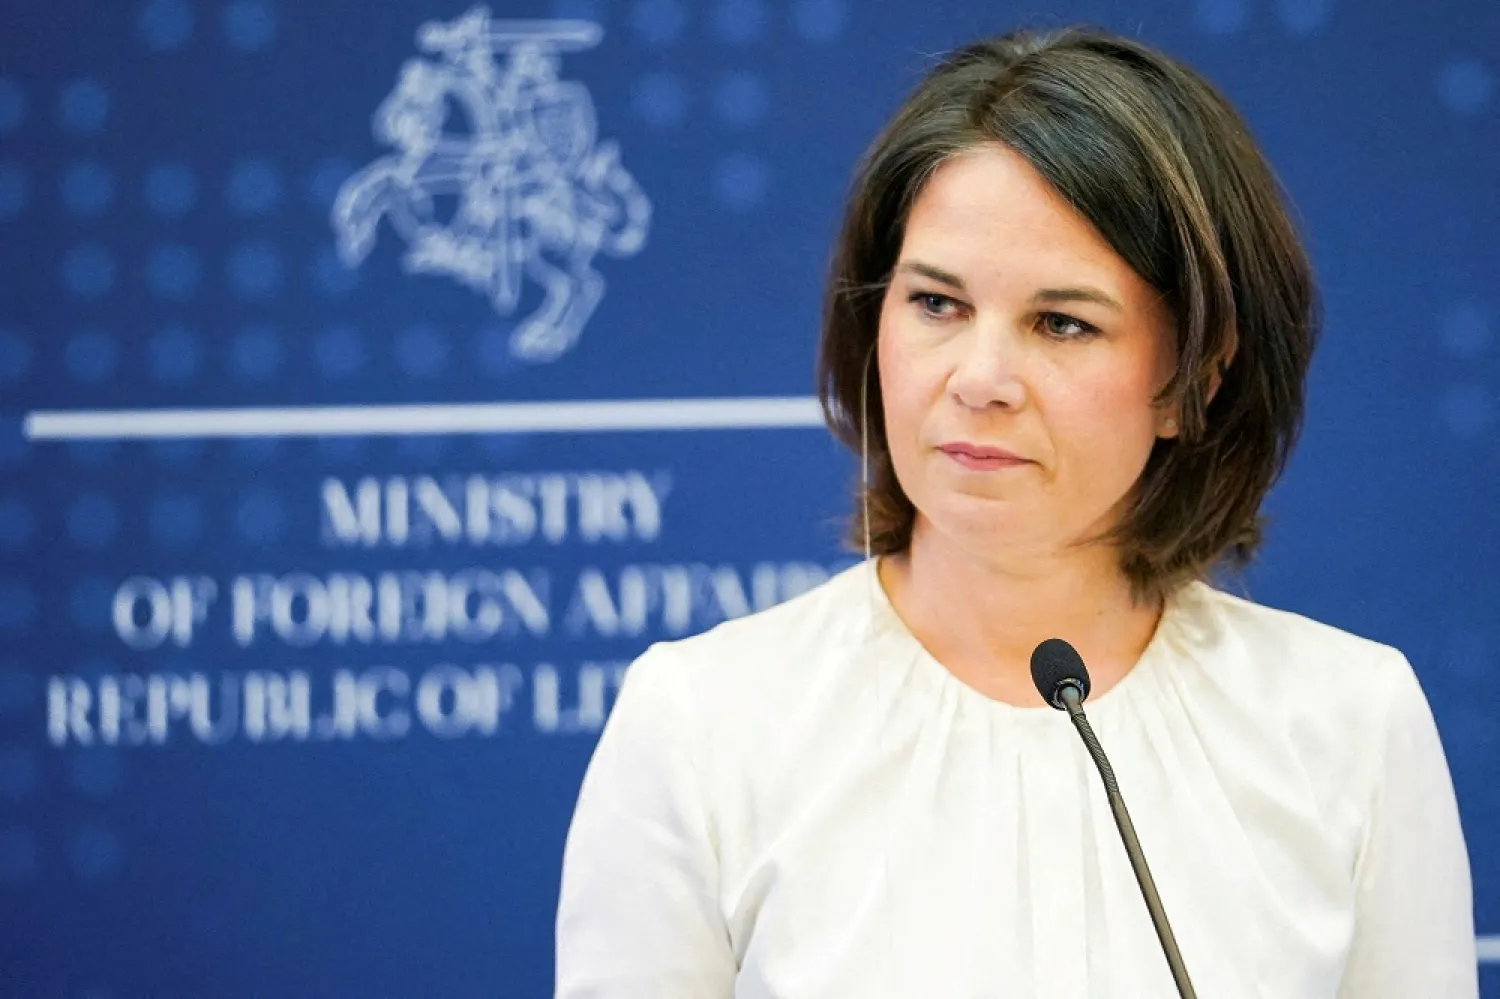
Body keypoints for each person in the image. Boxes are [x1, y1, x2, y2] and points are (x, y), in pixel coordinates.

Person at [553, 25, 1476, 999]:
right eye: (937, 305)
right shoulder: (704, 724)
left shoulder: (1348, 723)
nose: (980, 378)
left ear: (1195, 378)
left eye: (1061, 322)